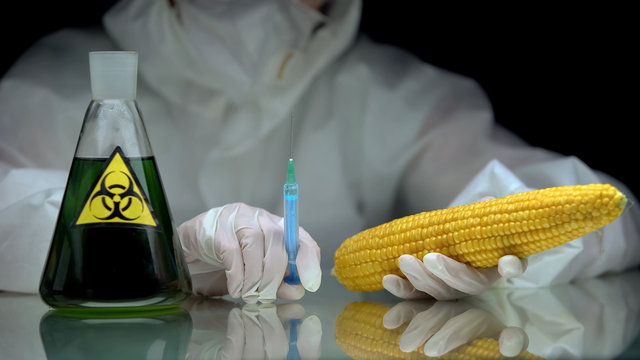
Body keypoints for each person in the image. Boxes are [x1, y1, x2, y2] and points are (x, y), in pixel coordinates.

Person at [1, 0, 638, 303]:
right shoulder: (54, 85)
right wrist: (163, 247)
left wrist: (505, 242)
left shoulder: (397, 95)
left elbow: (606, 212)